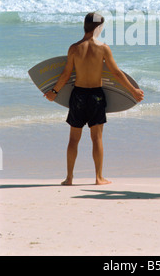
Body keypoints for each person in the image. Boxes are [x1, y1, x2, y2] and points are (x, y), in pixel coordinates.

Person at [44, 12, 144, 186]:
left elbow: (66, 74)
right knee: (96, 139)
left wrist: (54, 91)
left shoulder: (74, 48)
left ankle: (69, 178)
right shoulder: (103, 48)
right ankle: (98, 177)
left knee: (73, 139)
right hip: (96, 96)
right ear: (98, 27)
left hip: (78, 96)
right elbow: (116, 73)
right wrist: (133, 91)